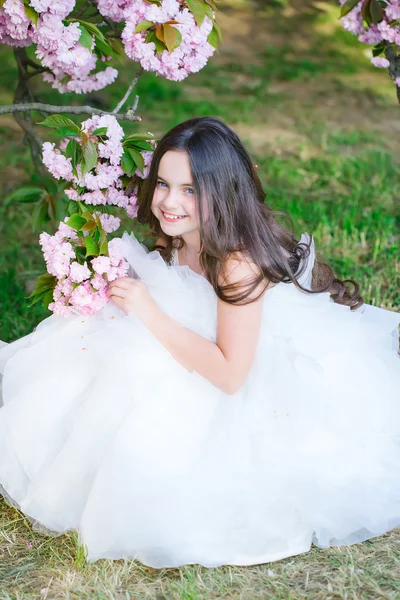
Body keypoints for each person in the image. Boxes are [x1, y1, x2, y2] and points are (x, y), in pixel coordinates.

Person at [0, 117, 399, 568]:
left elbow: (230, 376)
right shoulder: (181, 235)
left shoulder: (236, 263)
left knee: (136, 380)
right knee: (84, 345)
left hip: (244, 372)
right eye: (164, 184)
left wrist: (149, 312)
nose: (170, 202)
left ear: (223, 192)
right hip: (195, 339)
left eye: (190, 190)